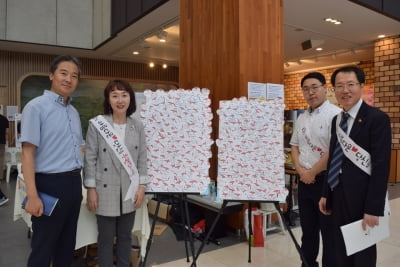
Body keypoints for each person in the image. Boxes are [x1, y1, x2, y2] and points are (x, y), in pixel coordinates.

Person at [319, 66, 391, 267]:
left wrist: (373, 208)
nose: (345, 90)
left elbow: (381, 167)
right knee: (339, 248)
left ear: (361, 86)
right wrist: (326, 192)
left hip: (362, 198)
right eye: (339, 86)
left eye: (351, 84)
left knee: (362, 253)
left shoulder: (377, 119)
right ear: (334, 90)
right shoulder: (337, 119)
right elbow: (334, 158)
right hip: (338, 194)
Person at [19, 55, 84, 267]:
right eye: (63, 73)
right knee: (43, 249)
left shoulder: (73, 112)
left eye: (74, 76)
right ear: (51, 75)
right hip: (49, 184)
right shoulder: (35, 107)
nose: (69, 79)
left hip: (74, 184)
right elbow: (27, 153)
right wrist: (32, 196)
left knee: (67, 248)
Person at [83, 79, 149, 267]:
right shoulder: (98, 125)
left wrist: (142, 187)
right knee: (105, 239)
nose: (120, 100)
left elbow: (142, 159)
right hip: (104, 191)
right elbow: (90, 159)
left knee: (125, 238)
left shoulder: (138, 126)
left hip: (130, 191)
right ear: (108, 100)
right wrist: (91, 189)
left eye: (124, 95)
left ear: (130, 99)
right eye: (114, 95)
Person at [290, 72, 340, 267]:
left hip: (327, 182)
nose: (310, 92)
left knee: (329, 233)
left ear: (325, 89)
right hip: (304, 181)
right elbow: (294, 145)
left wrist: (312, 172)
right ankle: (307, 263)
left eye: (314, 87)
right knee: (308, 230)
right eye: (306, 89)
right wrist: (301, 171)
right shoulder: (302, 117)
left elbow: (335, 151)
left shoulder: (335, 115)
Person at [0, 112, 9, 206]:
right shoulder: (4, 119)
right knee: (1, 161)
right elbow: (6, 132)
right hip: (1, 142)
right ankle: (1, 177)